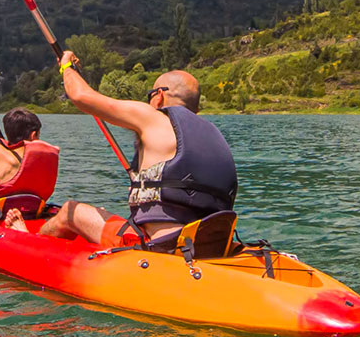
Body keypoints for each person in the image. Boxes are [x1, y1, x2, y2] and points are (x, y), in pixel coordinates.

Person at [34, 53, 236, 249]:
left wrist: (66, 66)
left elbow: (80, 96)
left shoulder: (154, 116)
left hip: (161, 245)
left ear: (159, 96)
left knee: (70, 211)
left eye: (150, 96)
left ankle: (28, 242)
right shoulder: (214, 134)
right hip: (211, 245)